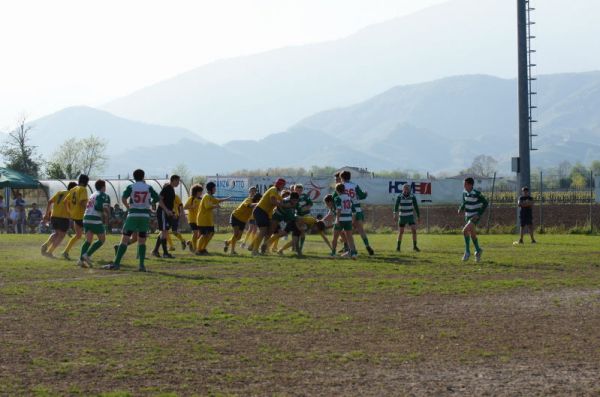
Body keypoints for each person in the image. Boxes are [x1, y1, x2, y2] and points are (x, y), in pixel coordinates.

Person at [104, 169, 160, 271]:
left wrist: (128, 206)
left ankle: (116, 263)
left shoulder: (131, 186)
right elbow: (157, 197)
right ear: (143, 177)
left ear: (134, 177)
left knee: (124, 239)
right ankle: (141, 265)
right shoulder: (148, 187)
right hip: (144, 216)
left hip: (133, 215)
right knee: (142, 241)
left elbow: (124, 198)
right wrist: (151, 203)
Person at [340, 171, 374, 255]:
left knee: (347, 231)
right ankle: (367, 245)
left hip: (348, 210)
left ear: (342, 178)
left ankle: (352, 250)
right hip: (358, 209)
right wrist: (365, 194)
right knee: (361, 230)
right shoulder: (354, 185)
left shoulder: (341, 186)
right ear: (350, 177)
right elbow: (362, 196)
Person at [78, 180, 111, 267]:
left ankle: (81, 260)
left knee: (88, 240)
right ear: (103, 187)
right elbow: (98, 206)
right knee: (102, 239)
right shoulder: (102, 195)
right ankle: (87, 255)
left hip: (86, 218)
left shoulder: (92, 194)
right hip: (94, 219)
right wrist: (105, 211)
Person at [251, 178, 286, 256]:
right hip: (260, 211)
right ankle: (254, 251)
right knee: (263, 231)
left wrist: (288, 202)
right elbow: (273, 201)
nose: (284, 187)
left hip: (264, 213)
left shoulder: (277, 192)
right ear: (280, 185)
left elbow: (283, 201)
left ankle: (260, 249)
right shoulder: (273, 189)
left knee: (268, 232)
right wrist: (283, 205)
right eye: (283, 185)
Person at [42, 182, 78, 257]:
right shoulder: (71, 196)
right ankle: (49, 252)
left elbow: (49, 202)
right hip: (63, 217)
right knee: (61, 235)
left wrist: (46, 214)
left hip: (54, 216)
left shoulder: (60, 192)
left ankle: (46, 245)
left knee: (56, 233)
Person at [458, 177, 488, 262]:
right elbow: (464, 202)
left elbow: (485, 203)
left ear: (470, 185)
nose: (464, 186)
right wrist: (461, 208)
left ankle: (467, 252)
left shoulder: (476, 193)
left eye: (465, 184)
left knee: (464, 231)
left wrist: (478, 214)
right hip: (467, 216)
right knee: (472, 234)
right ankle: (478, 251)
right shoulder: (464, 193)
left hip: (474, 216)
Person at [195, 181, 230, 255]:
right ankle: (198, 250)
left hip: (208, 220)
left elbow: (217, 200)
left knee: (211, 233)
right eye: (214, 188)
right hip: (203, 219)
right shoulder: (207, 196)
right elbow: (207, 206)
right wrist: (216, 206)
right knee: (204, 235)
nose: (215, 189)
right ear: (211, 189)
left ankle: (203, 248)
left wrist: (226, 199)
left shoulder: (210, 196)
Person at [224, 187, 259, 255]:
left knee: (239, 237)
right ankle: (232, 251)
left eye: (254, 192)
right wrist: (258, 203)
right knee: (236, 234)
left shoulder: (255, 201)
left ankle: (228, 242)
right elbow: (249, 205)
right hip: (236, 217)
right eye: (252, 192)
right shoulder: (248, 199)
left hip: (243, 220)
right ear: (249, 192)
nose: (253, 193)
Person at [152, 174, 180, 258]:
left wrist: (172, 213)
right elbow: (159, 199)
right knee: (164, 232)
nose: (178, 183)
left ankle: (155, 251)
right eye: (177, 181)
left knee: (164, 232)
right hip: (163, 212)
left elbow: (169, 203)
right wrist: (166, 210)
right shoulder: (167, 188)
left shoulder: (172, 189)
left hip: (167, 213)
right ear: (173, 180)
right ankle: (165, 253)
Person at [62, 174, 89, 260]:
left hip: (75, 216)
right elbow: (82, 202)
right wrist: (89, 209)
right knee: (89, 236)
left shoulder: (73, 189)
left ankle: (65, 251)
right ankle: (85, 255)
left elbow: (65, 201)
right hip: (82, 216)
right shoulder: (83, 189)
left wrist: (69, 211)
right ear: (86, 182)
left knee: (78, 235)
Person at [331, 183, 357, 259]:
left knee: (335, 237)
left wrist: (338, 220)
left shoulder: (337, 198)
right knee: (350, 237)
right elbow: (354, 211)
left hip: (341, 219)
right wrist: (352, 221)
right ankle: (353, 253)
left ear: (337, 190)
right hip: (348, 219)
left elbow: (339, 210)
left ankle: (333, 253)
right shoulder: (349, 198)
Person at [393, 184, 421, 252]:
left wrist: (418, 216)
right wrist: (395, 214)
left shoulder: (412, 196)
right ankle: (398, 247)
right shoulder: (399, 196)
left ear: (409, 190)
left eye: (407, 189)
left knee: (414, 230)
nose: (406, 190)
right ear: (403, 189)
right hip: (402, 216)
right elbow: (396, 206)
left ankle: (414, 246)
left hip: (410, 216)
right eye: (405, 189)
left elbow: (416, 206)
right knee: (401, 232)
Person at [184, 184, 204, 252]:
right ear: (196, 192)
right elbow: (185, 207)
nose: (201, 193)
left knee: (199, 235)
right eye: (200, 191)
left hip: (199, 220)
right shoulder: (191, 198)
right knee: (195, 233)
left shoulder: (201, 199)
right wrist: (192, 207)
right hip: (192, 219)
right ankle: (194, 248)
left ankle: (191, 243)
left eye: (201, 192)